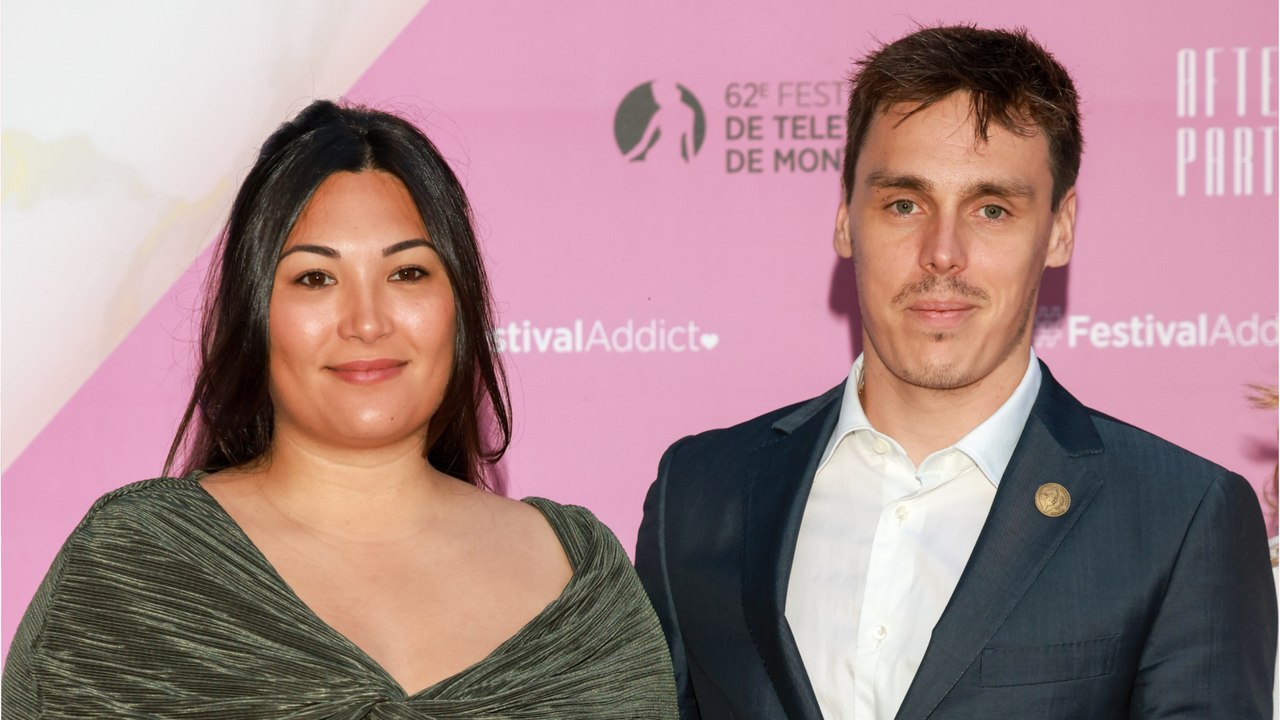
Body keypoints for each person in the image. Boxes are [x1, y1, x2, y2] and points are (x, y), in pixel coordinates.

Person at [635, 25, 1276, 720]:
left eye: (992, 209)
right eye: (904, 204)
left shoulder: (1180, 520)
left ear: (1059, 229)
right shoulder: (698, 495)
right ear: (846, 219)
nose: (943, 253)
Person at [3, 100, 678, 718]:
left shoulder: (580, 578)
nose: (366, 320)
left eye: (408, 272)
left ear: (460, 307)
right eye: (316, 278)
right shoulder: (132, 569)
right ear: (257, 313)